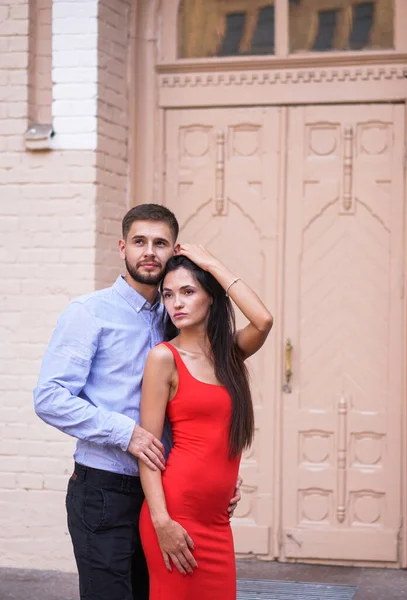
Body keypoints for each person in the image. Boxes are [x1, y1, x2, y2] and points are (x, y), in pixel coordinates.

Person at [33, 204, 242, 600]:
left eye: (160, 243)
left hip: (164, 493)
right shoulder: (89, 313)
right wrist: (125, 432)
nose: (149, 251)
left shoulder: (177, 314)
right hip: (104, 493)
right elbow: (49, 397)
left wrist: (220, 474)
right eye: (139, 241)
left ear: (174, 250)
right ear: (122, 247)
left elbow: (201, 401)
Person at [138, 246, 273, 600]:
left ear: (211, 296)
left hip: (216, 521)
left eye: (188, 291)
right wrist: (161, 521)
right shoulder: (163, 358)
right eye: (168, 295)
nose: (176, 303)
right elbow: (148, 450)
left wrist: (212, 263)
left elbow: (263, 320)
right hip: (175, 515)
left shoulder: (229, 354)